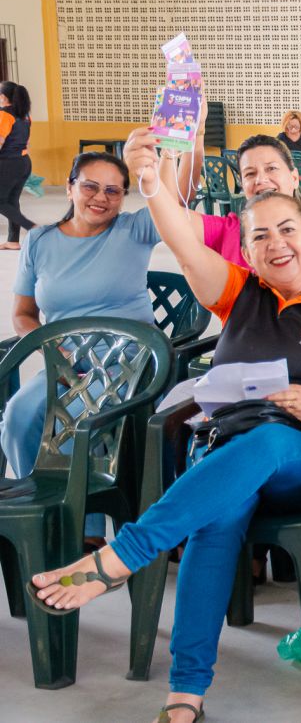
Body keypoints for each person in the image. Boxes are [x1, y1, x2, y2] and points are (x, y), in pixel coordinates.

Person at [28, 144, 301, 723]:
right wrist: (152, 182)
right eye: (260, 236)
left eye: (287, 231)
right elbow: (182, 242)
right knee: (215, 519)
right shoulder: (237, 291)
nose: (276, 244)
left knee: (268, 444)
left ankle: (125, 555)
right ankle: (186, 694)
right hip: (231, 452)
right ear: (246, 250)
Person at [2, 151, 159, 547]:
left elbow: (180, 198)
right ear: (70, 187)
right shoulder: (40, 240)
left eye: (113, 191)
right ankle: (44, 507)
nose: (100, 197)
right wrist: (51, 350)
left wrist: (186, 144)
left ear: (124, 197)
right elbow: (23, 314)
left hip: (127, 362)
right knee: (19, 417)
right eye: (90, 186)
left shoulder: (134, 230)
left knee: (74, 418)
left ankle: (83, 532)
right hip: (65, 363)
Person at [127, 132, 301, 285]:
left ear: (294, 177)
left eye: (271, 169)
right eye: (250, 173)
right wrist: (166, 156)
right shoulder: (228, 231)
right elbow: (172, 216)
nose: (261, 180)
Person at [0, 81, 38, 249]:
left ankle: (32, 227)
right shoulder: (25, 115)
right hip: (23, 162)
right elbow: (26, 141)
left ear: (3, 97)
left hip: (8, 163)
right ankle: (13, 241)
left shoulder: (4, 115)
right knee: (11, 201)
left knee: (2, 201)